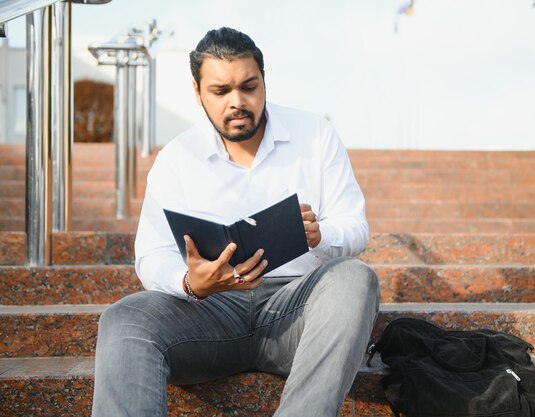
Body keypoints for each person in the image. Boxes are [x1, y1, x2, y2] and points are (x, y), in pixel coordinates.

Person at [91, 27, 380, 417]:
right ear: (197, 92)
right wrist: (191, 283)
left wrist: (320, 234)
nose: (238, 102)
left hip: (295, 311)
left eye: (249, 86)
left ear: (264, 81)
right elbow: (152, 254)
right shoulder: (177, 158)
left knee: (355, 278)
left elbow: (355, 226)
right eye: (220, 91)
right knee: (124, 318)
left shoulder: (316, 136)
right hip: (208, 314)